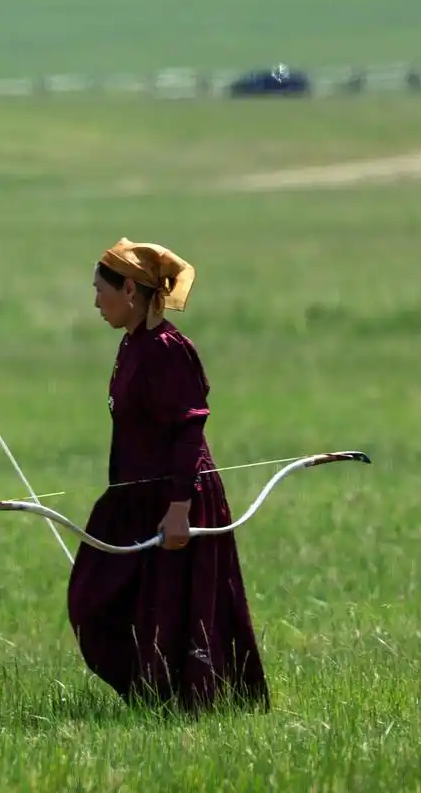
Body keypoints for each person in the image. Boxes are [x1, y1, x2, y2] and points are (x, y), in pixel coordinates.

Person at [66, 237, 270, 715]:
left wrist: (180, 509)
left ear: (132, 291)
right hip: (133, 498)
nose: (95, 300)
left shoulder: (168, 350)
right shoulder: (132, 343)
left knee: (177, 608)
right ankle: (153, 695)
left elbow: (188, 430)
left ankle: (189, 705)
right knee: (93, 600)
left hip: (177, 498)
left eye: (102, 290)